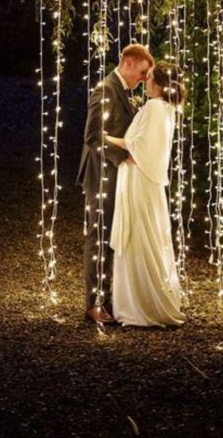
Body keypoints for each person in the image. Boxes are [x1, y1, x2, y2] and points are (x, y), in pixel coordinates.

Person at [76, 43, 153, 324]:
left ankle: (107, 300)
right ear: (129, 63)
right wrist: (126, 155)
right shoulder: (106, 90)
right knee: (98, 238)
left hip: (113, 175)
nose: (144, 79)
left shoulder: (122, 91)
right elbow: (93, 137)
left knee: (110, 239)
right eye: (143, 72)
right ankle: (93, 304)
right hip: (101, 176)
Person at [105, 61, 186, 328]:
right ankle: (150, 298)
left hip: (140, 181)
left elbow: (136, 145)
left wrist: (104, 137)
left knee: (138, 236)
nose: (145, 80)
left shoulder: (154, 107)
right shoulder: (169, 108)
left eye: (149, 77)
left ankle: (138, 306)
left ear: (158, 83)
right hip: (151, 183)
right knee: (150, 235)